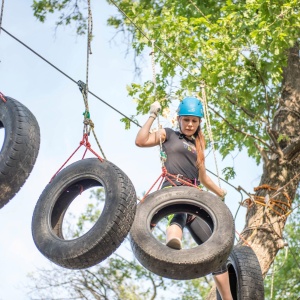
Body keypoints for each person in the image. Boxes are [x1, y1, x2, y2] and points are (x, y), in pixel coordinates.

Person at [135, 97, 233, 300]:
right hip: (173, 187)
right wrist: (152, 115)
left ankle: (228, 298)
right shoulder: (168, 134)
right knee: (178, 212)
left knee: (217, 251)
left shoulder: (198, 147)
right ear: (179, 119)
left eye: (194, 121)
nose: (190, 124)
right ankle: (173, 240)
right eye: (186, 120)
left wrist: (219, 192)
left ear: (199, 123)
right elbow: (141, 141)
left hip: (195, 196)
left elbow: (203, 177)